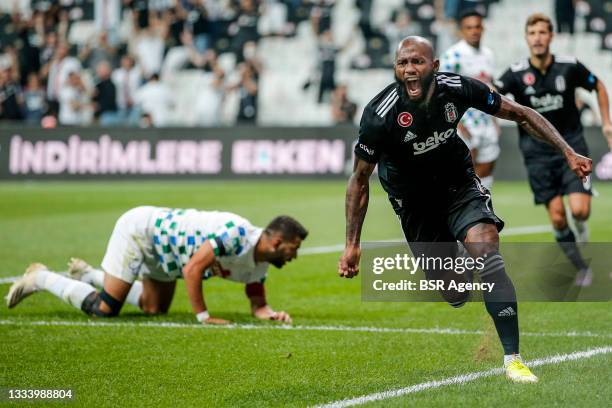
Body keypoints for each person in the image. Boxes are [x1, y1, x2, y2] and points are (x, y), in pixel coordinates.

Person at [338, 36, 592, 383]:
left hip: (458, 185)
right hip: (414, 204)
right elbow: (359, 179)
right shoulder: (379, 114)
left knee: (487, 252)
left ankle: (513, 359)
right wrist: (352, 243)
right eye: (402, 64)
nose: (410, 70)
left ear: (435, 66)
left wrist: (567, 151)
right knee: (456, 292)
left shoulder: (456, 88)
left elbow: (520, 113)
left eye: (417, 62)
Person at [7, 206, 308, 325]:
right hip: (143, 233)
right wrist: (203, 317)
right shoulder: (238, 235)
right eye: (293, 249)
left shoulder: (261, 264)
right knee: (106, 310)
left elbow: (257, 303)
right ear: (277, 242)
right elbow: (193, 270)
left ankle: (88, 274)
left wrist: (269, 314)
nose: (294, 256)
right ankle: (41, 278)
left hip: (168, 258)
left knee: (154, 309)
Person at [495, 13, 612, 286]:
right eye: (532, 33)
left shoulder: (569, 66)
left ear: (551, 36)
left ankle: (582, 227)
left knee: (580, 210)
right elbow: (493, 94)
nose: (537, 38)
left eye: (542, 32)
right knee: (558, 216)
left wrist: (606, 122)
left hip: (573, 146)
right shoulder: (514, 72)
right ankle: (582, 267)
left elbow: (599, 86)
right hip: (537, 153)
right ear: (527, 38)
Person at [441, 9, 499, 190]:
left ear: (483, 28)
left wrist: (495, 120)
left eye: (477, 27)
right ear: (461, 30)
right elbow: (442, 92)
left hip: (486, 120)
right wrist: (456, 123)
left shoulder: (488, 54)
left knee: (487, 168)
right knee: (465, 171)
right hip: (464, 121)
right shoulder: (453, 56)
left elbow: (491, 87)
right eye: (469, 27)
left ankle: (484, 207)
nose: (474, 31)